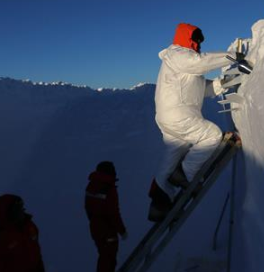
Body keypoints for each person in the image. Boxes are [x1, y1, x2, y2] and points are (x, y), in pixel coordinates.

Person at [148, 23, 236, 221]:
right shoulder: (177, 54)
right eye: (196, 39)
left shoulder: (183, 65)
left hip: (169, 117)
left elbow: (203, 89)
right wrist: (232, 56)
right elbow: (199, 62)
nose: (199, 44)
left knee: (173, 154)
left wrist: (226, 82)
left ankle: (160, 199)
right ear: (187, 38)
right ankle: (185, 174)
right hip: (178, 114)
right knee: (211, 135)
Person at [0, 194, 45, 272]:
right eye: (17, 208)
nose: (22, 210)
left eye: (21, 206)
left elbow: (36, 252)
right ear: (8, 213)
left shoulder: (29, 226)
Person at [85, 161, 128, 272]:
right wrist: (122, 230)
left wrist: (94, 221)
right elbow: (114, 213)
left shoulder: (91, 186)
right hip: (108, 231)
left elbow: (87, 207)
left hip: (95, 229)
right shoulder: (109, 188)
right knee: (109, 259)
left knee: (104, 256)